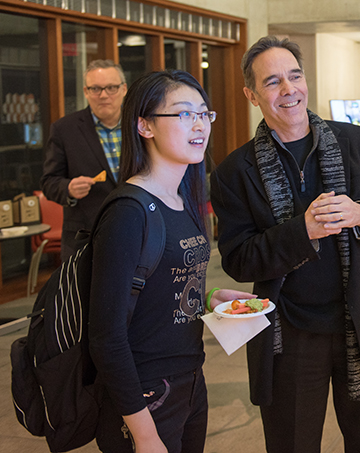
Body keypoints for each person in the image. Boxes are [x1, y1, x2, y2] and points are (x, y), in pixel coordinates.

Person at [210, 36, 360, 452]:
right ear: (251, 94)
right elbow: (239, 260)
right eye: (273, 82)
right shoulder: (233, 171)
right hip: (289, 333)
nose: (289, 90)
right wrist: (304, 231)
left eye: (295, 76)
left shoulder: (355, 142)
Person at [88, 70, 255, 453]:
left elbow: (162, 284)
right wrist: (145, 435)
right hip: (146, 391)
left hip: (190, 380)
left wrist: (208, 296)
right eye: (183, 114)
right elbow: (106, 337)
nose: (199, 125)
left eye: (203, 114)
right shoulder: (128, 212)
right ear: (144, 125)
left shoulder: (182, 199)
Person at [41, 59, 127, 260]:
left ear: (124, 89)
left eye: (111, 88)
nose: (104, 95)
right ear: (86, 91)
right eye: (95, 88)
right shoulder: (64, 129)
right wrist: (68, 188)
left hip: (138, 229)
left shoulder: (141, 126)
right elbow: (49, 181)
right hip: (85, 237)